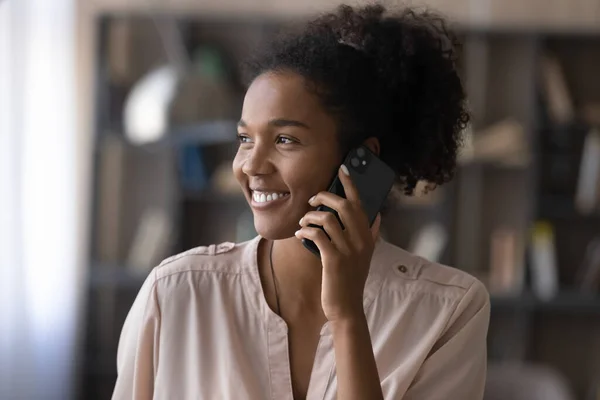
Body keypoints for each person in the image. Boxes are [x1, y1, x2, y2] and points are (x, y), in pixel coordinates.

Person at [112, 4, 490, 400]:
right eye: (245, 139)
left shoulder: (447, 309)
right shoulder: (177, 292)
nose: (251, 165)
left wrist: (347, 318)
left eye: (285, 140)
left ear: (360, 159)